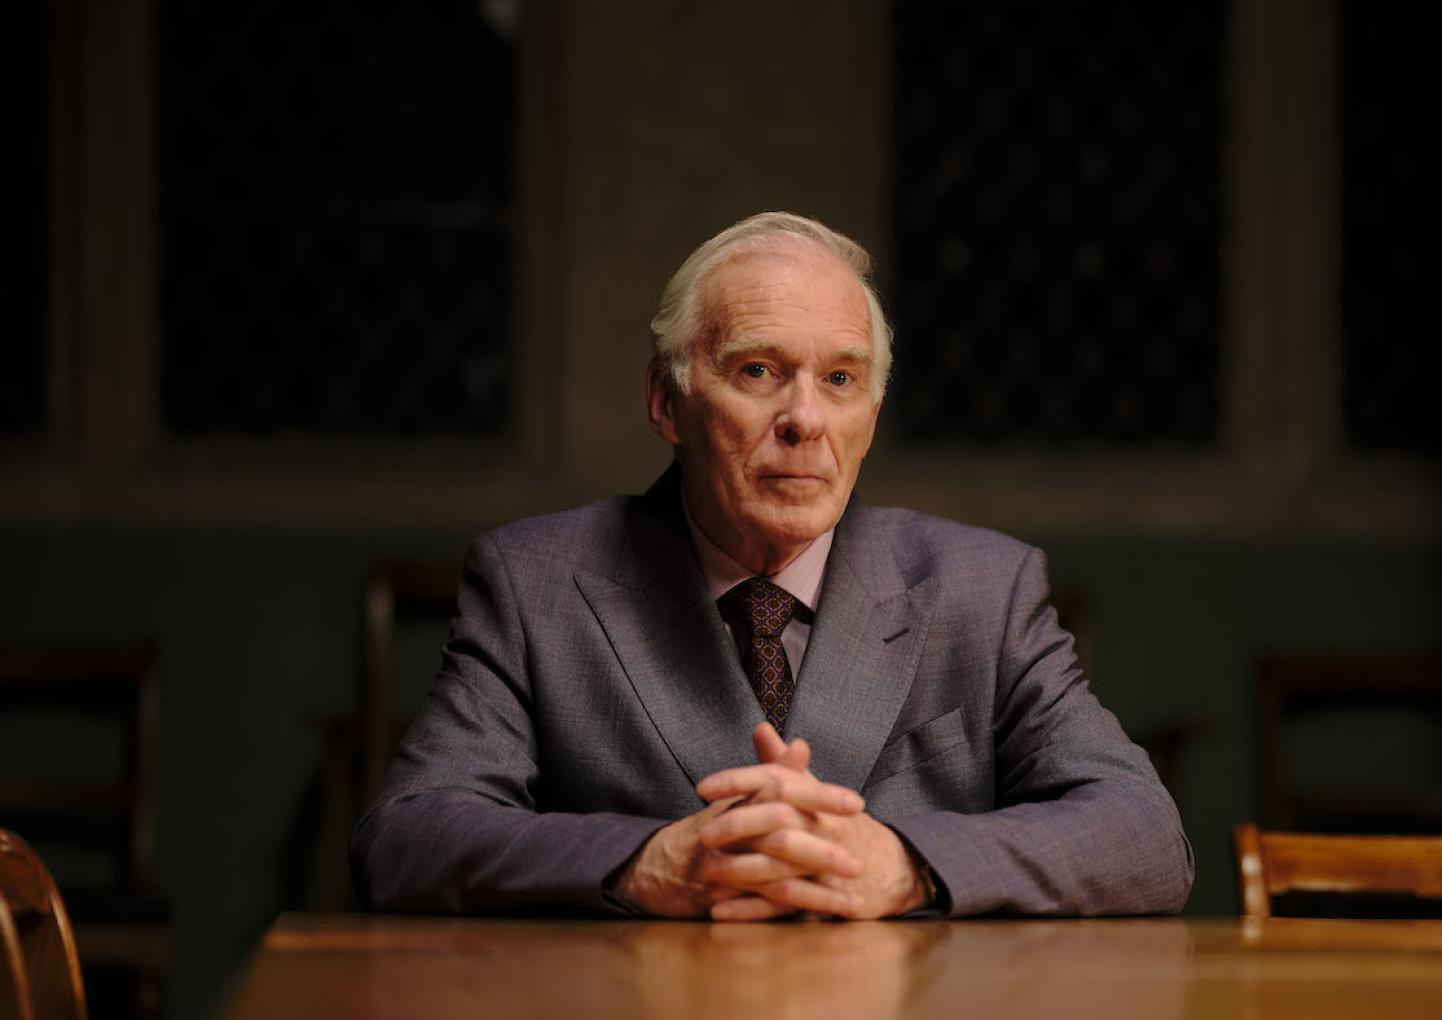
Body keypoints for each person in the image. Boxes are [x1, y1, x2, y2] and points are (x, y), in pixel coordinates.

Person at [351, 212, 1193, 919]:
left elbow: (1144, 833)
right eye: (759, 371)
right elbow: (406, 837)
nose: (804, 420)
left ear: (872, 408)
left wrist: (907, 865)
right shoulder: (534, 581)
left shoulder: (985, 588)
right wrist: (647, 864)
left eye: (839, 379)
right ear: (666, 401)